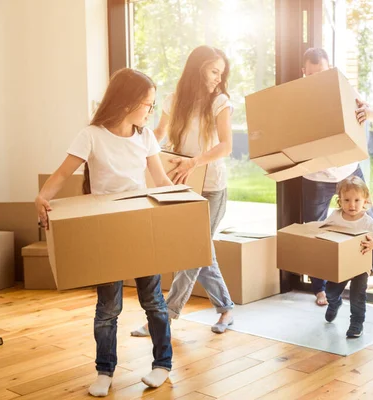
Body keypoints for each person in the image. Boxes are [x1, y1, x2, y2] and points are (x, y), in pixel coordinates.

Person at [35, 68, 173, 397]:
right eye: (147, 105)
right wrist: (42, 197)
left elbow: (162, 183)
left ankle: (162, 364)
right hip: (106, 228)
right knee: (108, 307)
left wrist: (186, 203)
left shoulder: (146, 137)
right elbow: (62, 173)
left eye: (153, 106)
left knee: (153, 300)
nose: (149, 112)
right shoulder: (92, 135)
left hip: (141, 225)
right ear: (127, 102)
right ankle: (105, 369)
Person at [131, 45, 235, 337]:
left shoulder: (220, 102)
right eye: (214, 71)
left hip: (211, 187)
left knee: (193, 251)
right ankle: (226, 308)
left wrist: (195, 161)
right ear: (198, 68)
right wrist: (135, 143)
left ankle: (164, 316)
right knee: (202, 253)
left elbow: (226, 146)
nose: (218, 78)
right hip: (180, 185)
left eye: (221, 73)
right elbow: (159, 135)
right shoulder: (173, 100)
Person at [300, 47, 373, 305]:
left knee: (370, 218)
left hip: (349, 170)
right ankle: (320, 289)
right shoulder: (298, 98)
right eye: (312, 73)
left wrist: (366, 113)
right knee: (316, 232)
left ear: (331, 70)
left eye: (323, 72)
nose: (318, 77)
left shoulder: (344, 88)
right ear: (304, 72)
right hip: (316, 176)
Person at [323, 176, 373, 338]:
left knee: (358, 297)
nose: (352, 205)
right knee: (330, 291)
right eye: (347, 200)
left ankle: (356, 323)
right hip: (339, 264)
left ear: (365, 201)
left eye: (357, 200)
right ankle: (335, 303)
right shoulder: (335, 216)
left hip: (360, 267)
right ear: (339, 201)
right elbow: (323, 231)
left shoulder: (367, 221)